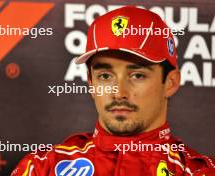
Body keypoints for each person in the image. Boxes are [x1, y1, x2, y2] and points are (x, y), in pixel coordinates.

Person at [11, 6, 215, 176]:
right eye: (105, 76)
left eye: (137, 76)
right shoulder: (42, 167)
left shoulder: (199, 172)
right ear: (91, 83)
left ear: (170, 83)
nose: (119, 93)